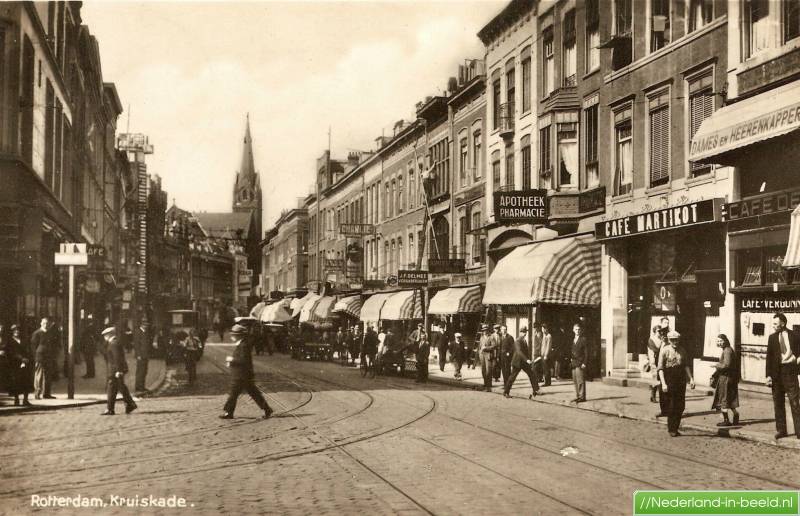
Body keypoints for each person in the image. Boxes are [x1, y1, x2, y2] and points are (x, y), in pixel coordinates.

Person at [220, 323, 273, 419]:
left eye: (233, 334)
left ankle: (229, 413)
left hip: (241, 375)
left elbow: (243, 360)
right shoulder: (242, 344)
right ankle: (267, 409)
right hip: (244, 374)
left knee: (234, 394)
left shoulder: (243, 345)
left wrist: (231, 360)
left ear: (238, 335)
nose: (232, 336)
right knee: (254, 393)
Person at [765, 312, 800, 440]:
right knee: (778, 403)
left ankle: (799, 431)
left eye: (775, 323)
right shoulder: (772, 338)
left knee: (795, 402)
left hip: (790, 372)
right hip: (776, 374)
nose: (773, 326)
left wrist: (798, 359)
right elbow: (769, 357)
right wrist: (768, 375)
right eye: (773, 323)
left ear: (783, 323)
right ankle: (781, 430)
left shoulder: (795, 335)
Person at [657, 330, 695, 437]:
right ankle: (671, 428)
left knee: (681, 405)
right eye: (672, 340)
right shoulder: (665, 351)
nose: (675, 342)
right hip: (669, 378)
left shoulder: (682, 350)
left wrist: (691, 379)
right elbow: (660, 368)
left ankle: (676, 427)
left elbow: (686, 365)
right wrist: (663, 383)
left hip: (680, 379)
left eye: (677, 340)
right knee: (672, 405)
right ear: (669, 340)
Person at [101, 326, 137, 416]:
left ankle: (112, 408)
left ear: (109, 335)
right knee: (119, 388)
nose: (104, 337)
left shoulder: (113, 344)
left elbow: (117, 358)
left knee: (113, 389)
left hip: (114, 371)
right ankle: (129, 404)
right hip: (115, 370)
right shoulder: (113, 343)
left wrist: (118, 371)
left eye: (105, 335)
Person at [502, 325, 539, 398]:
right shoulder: (518, 340)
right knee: (512, 377)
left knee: (531, 374)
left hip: (523, 362)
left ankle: (536, 390)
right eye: (523, 332)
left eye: (525, 332)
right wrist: (526, 359)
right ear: (520, 332)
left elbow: (525, 352)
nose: (525, 333)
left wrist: (528, 359)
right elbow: (519, 352)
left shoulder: (524, 340)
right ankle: (506, 392)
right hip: (517, 362)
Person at [711, 334, 740, 427]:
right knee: (729, 398)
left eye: (721, 341)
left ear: (725, 340)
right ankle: (736, 415)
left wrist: (716, 365)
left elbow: (726, 365)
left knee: (723, 398)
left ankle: (726, 420)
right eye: (718, 341)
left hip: (726, 378)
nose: (719, 343)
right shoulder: (728, 349)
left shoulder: (727, 350)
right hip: (730, 377)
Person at [1, 324, 33, 406]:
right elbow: (10, 352)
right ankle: (16, 399)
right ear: (12, 332)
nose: (17, 332)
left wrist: (26, 359)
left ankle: (25, 400)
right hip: (14, 364)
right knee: (16, 382)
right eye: (15, 330)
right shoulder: (9, 341)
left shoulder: (24, 340)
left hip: (25, 363)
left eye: (18, 330)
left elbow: (28, 350)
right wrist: (20, 358)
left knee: (26, 381)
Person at [30, 317, 56, 400]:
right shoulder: (37, 333)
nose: (46, 325)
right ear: (41, 323)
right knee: (39, 376)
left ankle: (47, 393)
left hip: (49, 357)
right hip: (40, 357)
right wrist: (35, 357)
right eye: (44, 323)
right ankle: (37, 393)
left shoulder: (50, 333)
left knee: (48, 375)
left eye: (47, 323)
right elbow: (33, 347)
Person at [570, 323, 588, 403]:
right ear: (573, 330)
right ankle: (578, 396)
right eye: (576, 329)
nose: (577, 331)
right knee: (575, 380)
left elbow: (586, 353)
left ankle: (582, 396)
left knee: (580, 380)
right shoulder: (573, 339)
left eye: (579, 329)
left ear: (581, 330)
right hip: (573, 362)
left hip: (580, 362)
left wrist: (584, 362)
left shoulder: (583, 339)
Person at [478, 324, 498, 392]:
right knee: (483, 370)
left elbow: (494, 346)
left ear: (487, 330)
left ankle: (489, 385)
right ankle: (485, 383)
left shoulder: (491, 337)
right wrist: (480, 353)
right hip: (482, 355)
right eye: (483, 330)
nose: (484, 332)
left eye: (486, 330)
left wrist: (486, 348)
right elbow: (480, 346)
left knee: (488, 370)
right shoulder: (482, 337)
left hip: (489, 355)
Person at [133, 321, 150, 393]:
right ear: (142, 325)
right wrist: (138, 355)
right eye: (145, 325)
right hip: (141, 355)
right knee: (140, 371)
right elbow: (137, 345)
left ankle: (142, 386)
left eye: (146, 325)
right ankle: (138, 387)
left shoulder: (145, 332)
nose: (146, 326)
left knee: (144, 371)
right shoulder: (138, 332)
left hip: (145, 355)